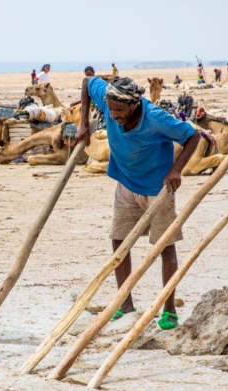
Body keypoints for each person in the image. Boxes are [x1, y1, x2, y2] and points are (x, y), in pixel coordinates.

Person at [75, 76, 200, 328]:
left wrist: (176, 170)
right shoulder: (109, 98)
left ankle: (168, 309)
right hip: (125, 183)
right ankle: (125, 304)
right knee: (119, 241)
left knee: (164, 246)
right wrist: (82, 124)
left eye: (119, 111)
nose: (114, 115)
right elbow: (88, 82)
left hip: (157, 189)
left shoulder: (156, 119)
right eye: (110, 109)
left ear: (133, 105)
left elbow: (193, 137)